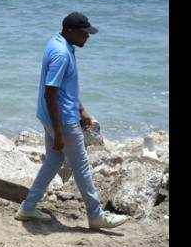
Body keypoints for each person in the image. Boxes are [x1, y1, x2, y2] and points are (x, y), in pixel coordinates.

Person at [15, 12, 128, 229]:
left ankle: (28, 208)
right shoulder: (61, 54)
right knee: (82, 166)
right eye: (84, 33)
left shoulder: (58, 43)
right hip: (63, 120)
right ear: (70, 31)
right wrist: (59, 131)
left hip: (53, 116)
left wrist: (81, 109)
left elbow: (64, 88)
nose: (88, 37)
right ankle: (96, 215)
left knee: (54, 161)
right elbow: (51, 92)